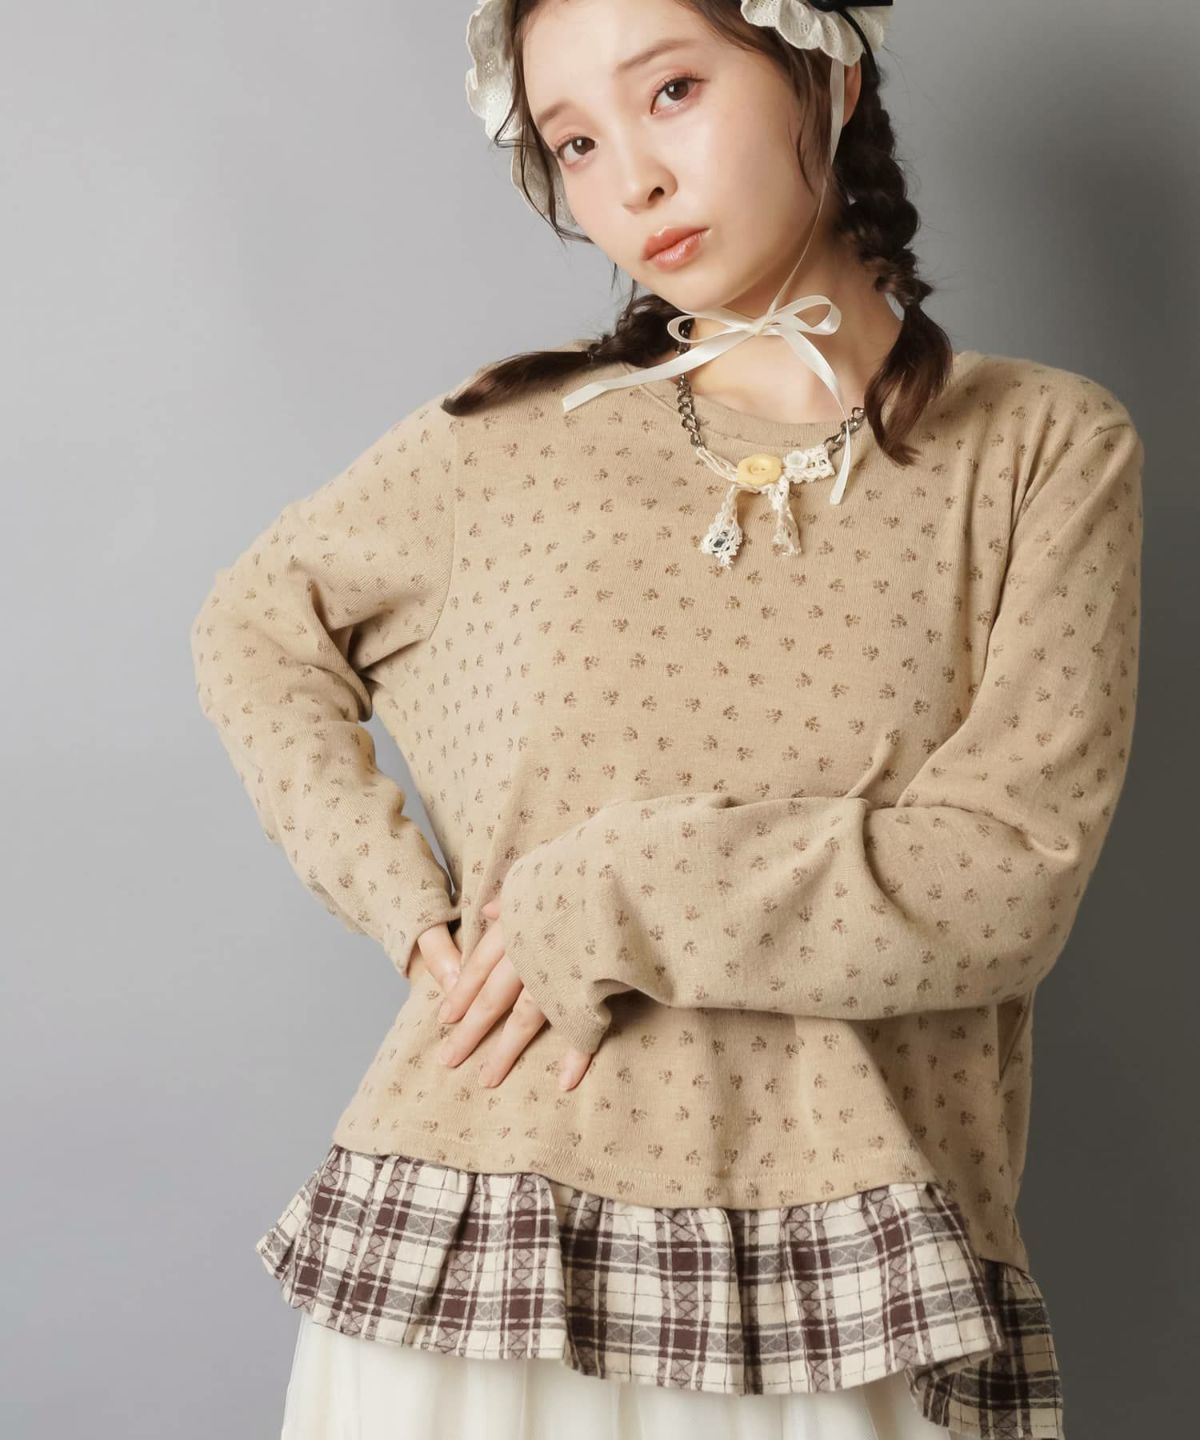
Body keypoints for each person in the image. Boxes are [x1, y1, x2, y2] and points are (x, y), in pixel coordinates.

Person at [189, 3, 1143, 1436]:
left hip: (855, 1296)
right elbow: (256, 628)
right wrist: (410, 911)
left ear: (828, 74)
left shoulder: (1041, 449)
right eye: (574, 141)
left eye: (675, 90)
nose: (631, 177)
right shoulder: (511, 442)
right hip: (480, 1273)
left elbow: (1003, 879)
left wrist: (612, 890)